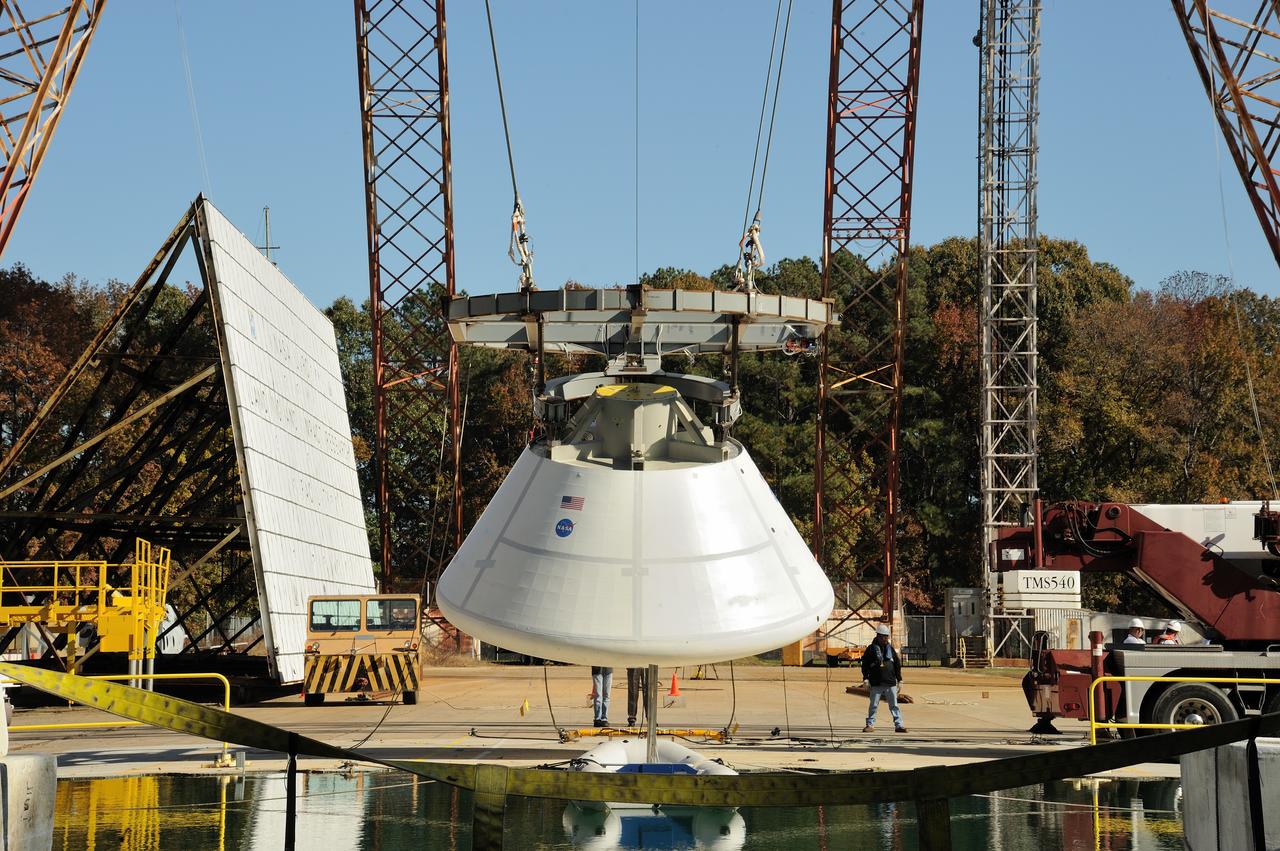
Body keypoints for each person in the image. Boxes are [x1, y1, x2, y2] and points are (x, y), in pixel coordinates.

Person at [860, 624, 907, 733]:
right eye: (883, 637)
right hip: (876, 683)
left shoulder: (890, 648)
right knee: (874, 705)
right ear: (878, 636)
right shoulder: (871, 649)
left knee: (894, 705)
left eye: (887, 637)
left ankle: (899, 725)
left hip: (890, 683)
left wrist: (900, 679)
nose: (885, 639)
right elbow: (865, 665)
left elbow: (897, 664)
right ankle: (870, 725)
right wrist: (865, 679)